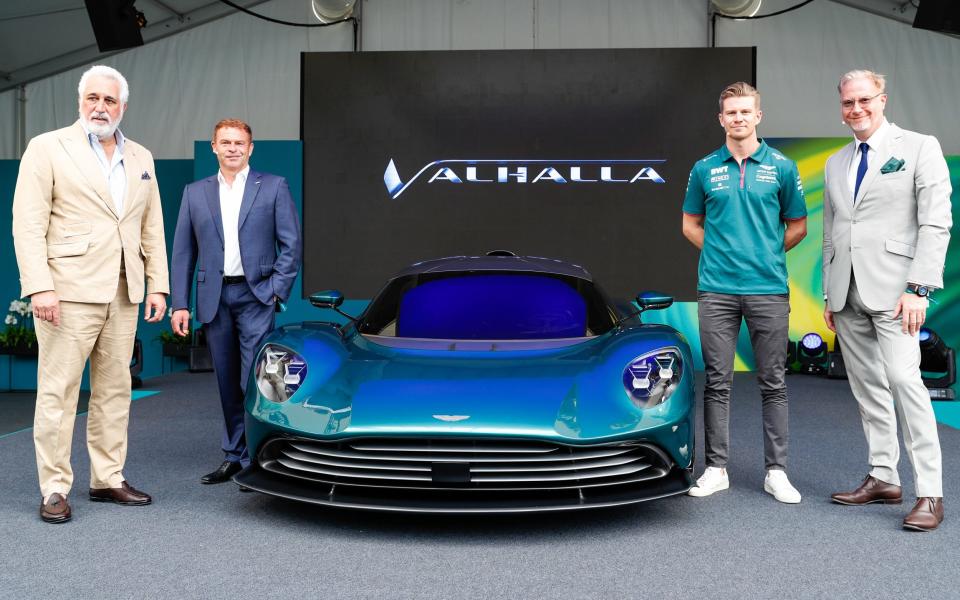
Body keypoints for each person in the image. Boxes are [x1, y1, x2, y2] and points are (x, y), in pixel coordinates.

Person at [12, 65, 168, 524]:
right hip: (67, 290)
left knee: (115, 390)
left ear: (123, 106)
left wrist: (157, 282)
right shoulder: (46, 147)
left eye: (110, 100)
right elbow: (28, 223)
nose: (101, 107)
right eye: (93, 98)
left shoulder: (141, 156)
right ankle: (55, 487)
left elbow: (150, 225)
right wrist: (39, 286)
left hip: (124, 291)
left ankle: (107, 478)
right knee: (58, 393)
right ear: (81, 102)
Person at [823, 70, 952, 531]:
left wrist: (920, 289)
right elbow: (832, 231)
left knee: (905, 383)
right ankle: (883, 476)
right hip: (847, 292)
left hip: (900, 293)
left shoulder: (920, 146)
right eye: (847, 103)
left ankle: (930, 494)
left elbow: (936, 223)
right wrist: (827, 292)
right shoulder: (835, 161)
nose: (856, 109)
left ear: (882, 99)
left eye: (864, 100)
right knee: (867, 389)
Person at [681, 82, 808, 503]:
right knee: (717, 381)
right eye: (731, 113)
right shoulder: (704, 169)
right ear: (722, 119)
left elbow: (797, 226)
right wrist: (723, 254)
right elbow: (690, 225)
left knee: (773, 382)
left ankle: (777, 472)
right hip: (716, 289)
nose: (738, 118)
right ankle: (716, 469)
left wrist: (764, 254)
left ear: (758, 116)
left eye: (745, 111)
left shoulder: (783, 167)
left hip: (768, 289)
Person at [170, 119, 301, 486]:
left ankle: (261, 457)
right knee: (227, 381)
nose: (232, 148)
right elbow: (183, 252)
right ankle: (234, 456)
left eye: (239, 143)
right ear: (214, 146)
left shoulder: (273, 186)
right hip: (214, 297)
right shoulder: (195, 193)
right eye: (225, 142)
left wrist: (276, 289)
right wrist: (180, 303)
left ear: (250, 148)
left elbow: (291, 245)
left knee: (256, 380)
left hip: (256, 294)